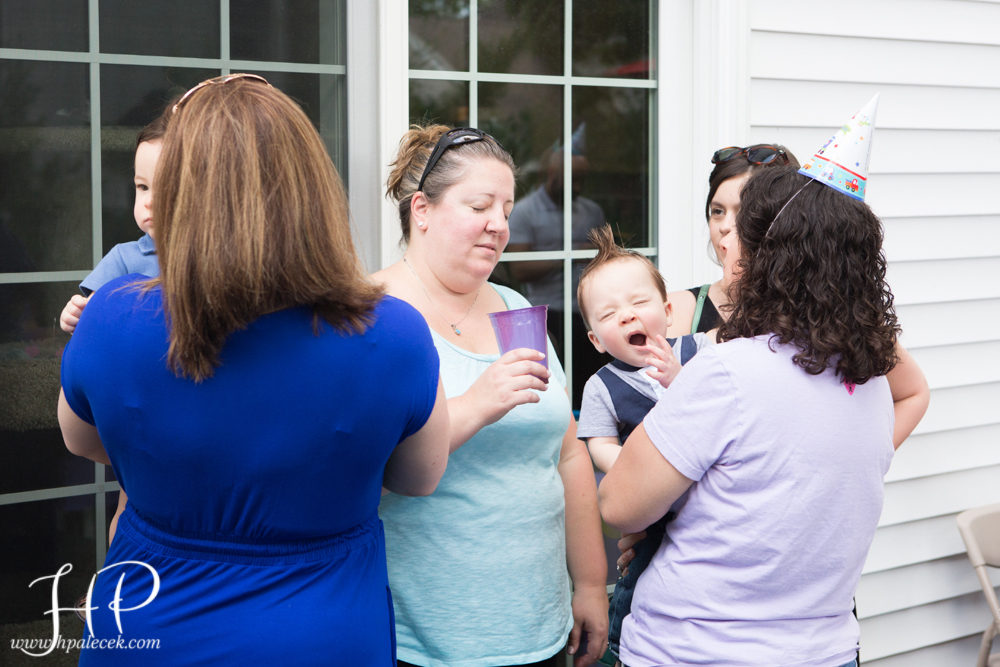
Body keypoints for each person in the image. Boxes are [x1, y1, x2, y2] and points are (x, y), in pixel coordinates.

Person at [58, 74, 449, 665]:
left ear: (179, 190)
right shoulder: (394, 334)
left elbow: (83, 440)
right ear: (312, 188)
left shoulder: (111, 318)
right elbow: (419, 476)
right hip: (321, 636)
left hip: (147, 628)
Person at [598, 163, 930, 666]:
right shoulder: (870, 384)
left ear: (772, 258)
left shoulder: (725, 373)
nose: (725, 242)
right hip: (826, 651)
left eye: (740, 232)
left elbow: (619, 505)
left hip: (700, 651)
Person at [374, 125, 608, 667]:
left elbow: (567, 452)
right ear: (422, 211)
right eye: (481, 205)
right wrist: (478, 403)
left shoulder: (511, 304)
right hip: (427, 640)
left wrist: (591, 584)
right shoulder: (372, 311)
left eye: (506, 207)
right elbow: (368, 464)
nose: (500, 225)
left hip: (541, 629)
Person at [575, 224, 713, 661]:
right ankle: (623, 647)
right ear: (596, 340)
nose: (628, 315)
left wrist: (678, 378)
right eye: (610, 314)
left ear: (668, 310)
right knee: (637, 580)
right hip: (652, 519)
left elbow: (721, 410)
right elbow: (598, 444)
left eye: (639, 302)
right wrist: (636, 468)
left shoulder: (700, 351)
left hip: (711, 508)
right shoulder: (602, 386)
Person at [667, 144, 798, 337]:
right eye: (718, 211)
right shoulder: (676, 312)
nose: (725, 226)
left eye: (744, 212)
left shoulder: (814, 313)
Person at [59, 110, 169, 334]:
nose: (149, 202)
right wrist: (75, 315)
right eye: (143, 187)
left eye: (167, 187)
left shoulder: (216, 257)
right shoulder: (124, 259)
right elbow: (93, 311)